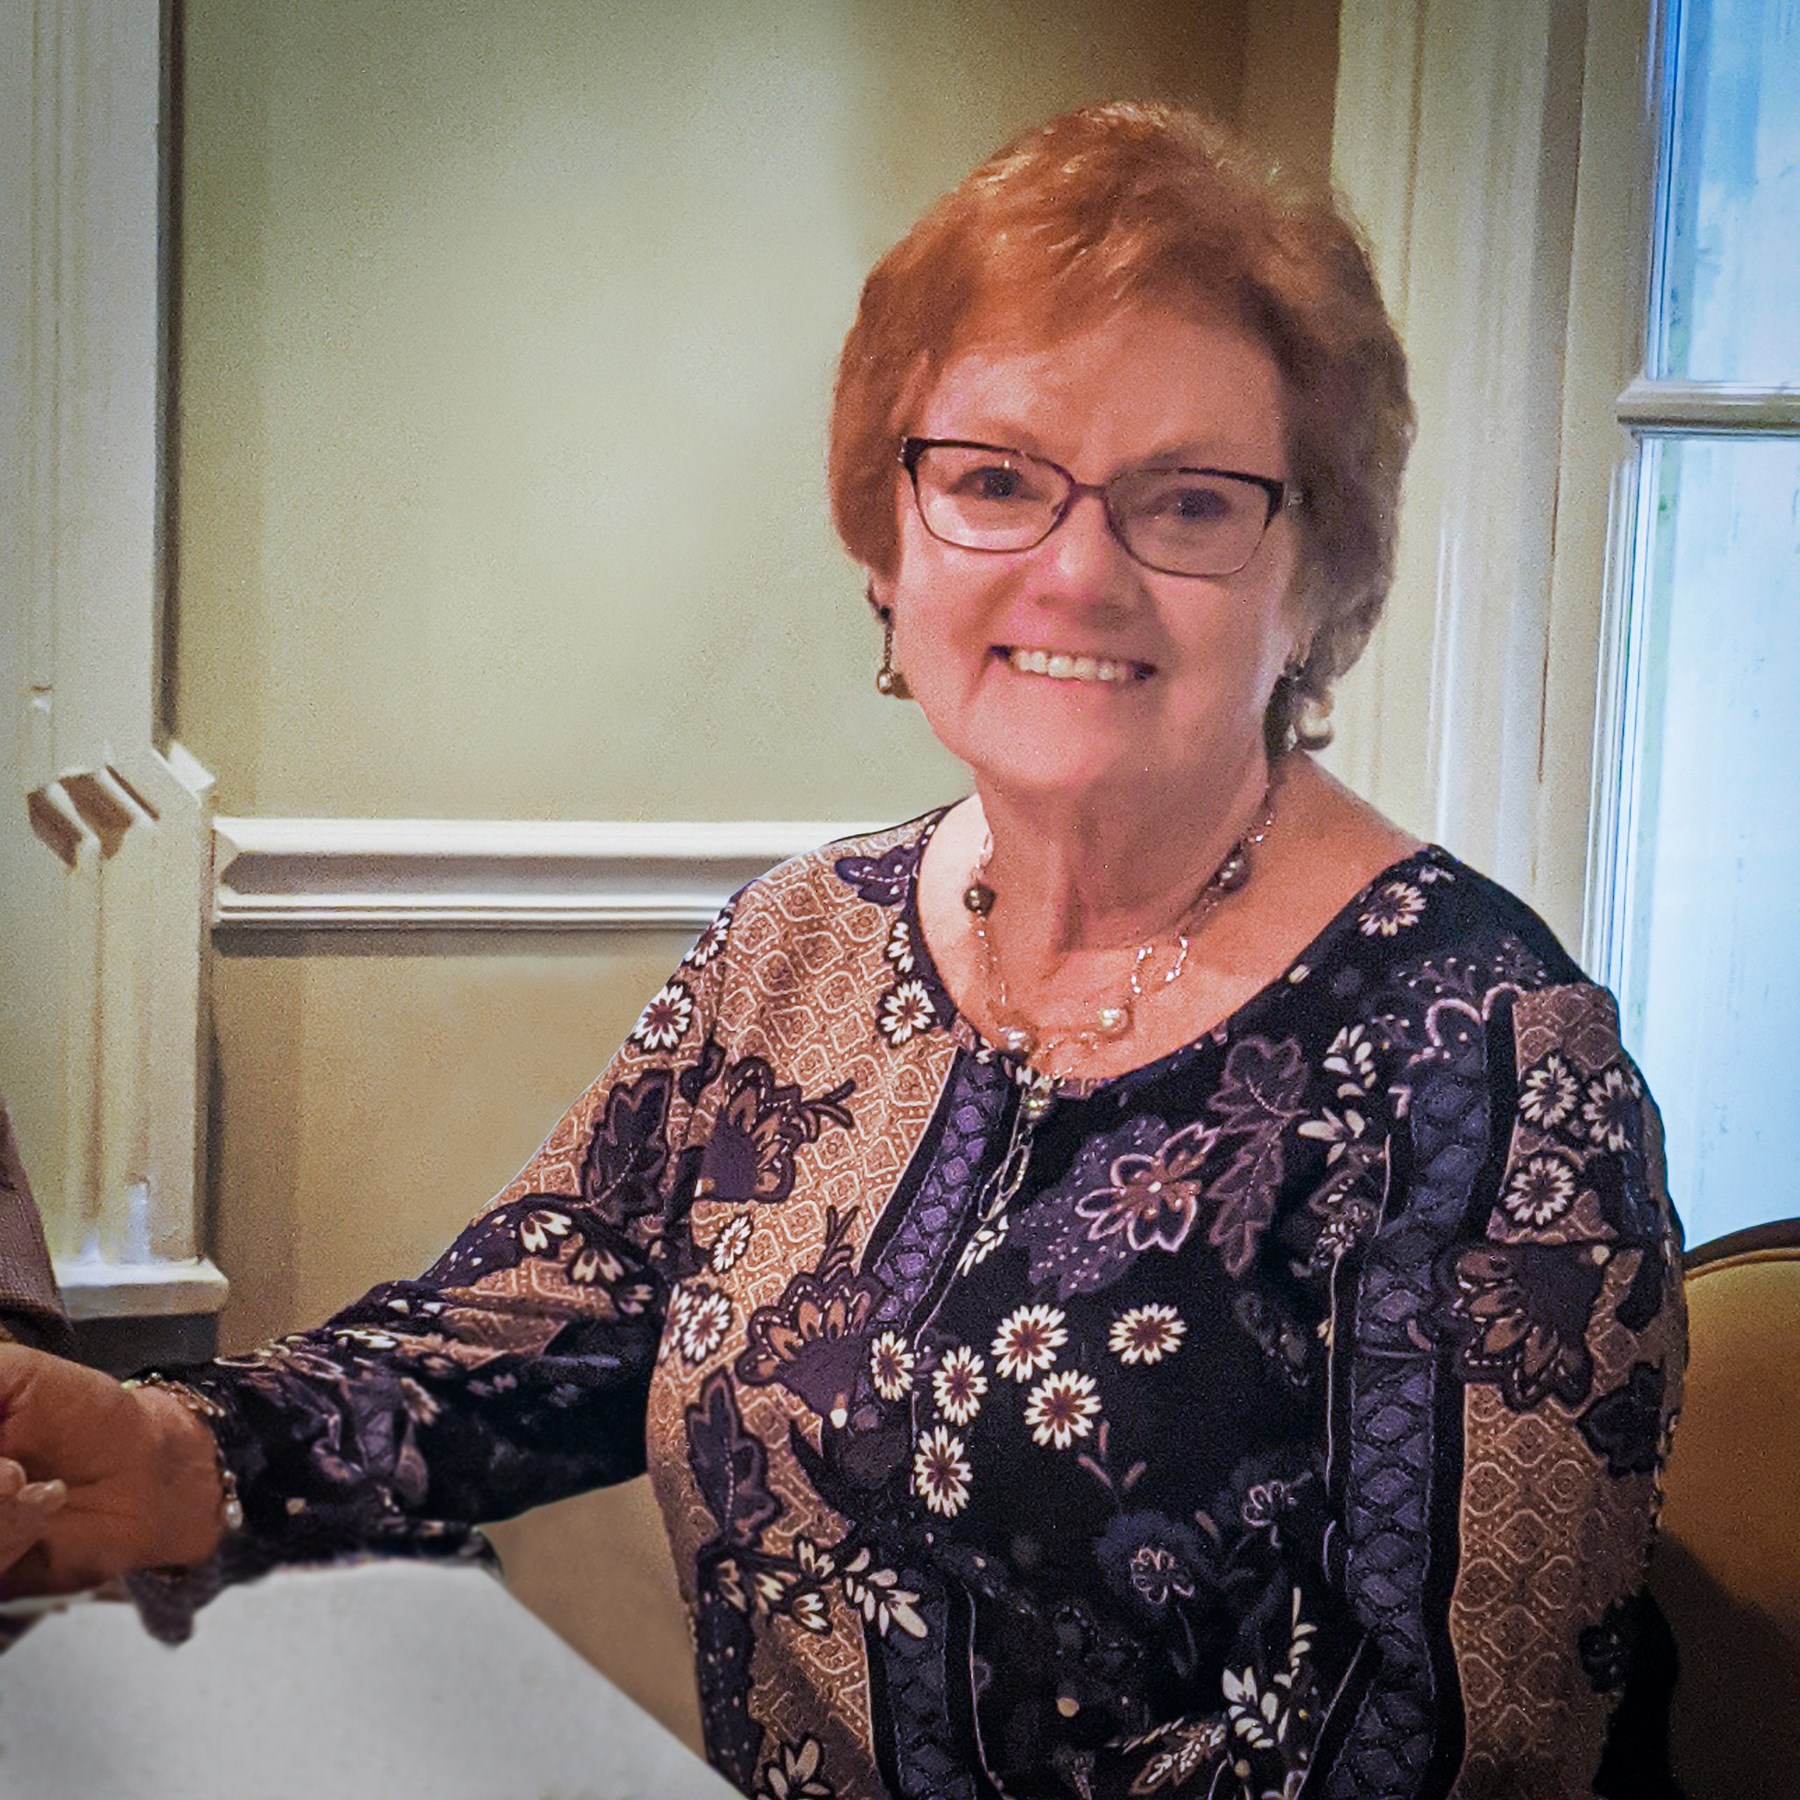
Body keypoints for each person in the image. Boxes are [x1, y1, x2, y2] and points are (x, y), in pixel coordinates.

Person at [0, 102, 1683, 1798]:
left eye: (1188, 503)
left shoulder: (1486, 1055)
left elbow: (1453, 1752)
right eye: (995, 482)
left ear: (1315, 578)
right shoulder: (798, 943)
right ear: (889, 546)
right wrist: (174, 1449)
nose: (1076, 571)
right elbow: (521, 1343)